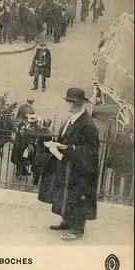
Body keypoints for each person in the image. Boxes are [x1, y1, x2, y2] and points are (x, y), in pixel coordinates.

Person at [38, 87, 99, 241]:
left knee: (78, 196)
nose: (66, 104)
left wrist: (68, 147)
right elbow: (65, 138)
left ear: (75, 104)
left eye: (68, 102)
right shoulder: (70, 118)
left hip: (80, 169)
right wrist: (56, 144)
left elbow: (91, 150)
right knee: (66, 195)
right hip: (67, 165)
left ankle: (78, 229)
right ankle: (66, 221)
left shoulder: (88, 124)